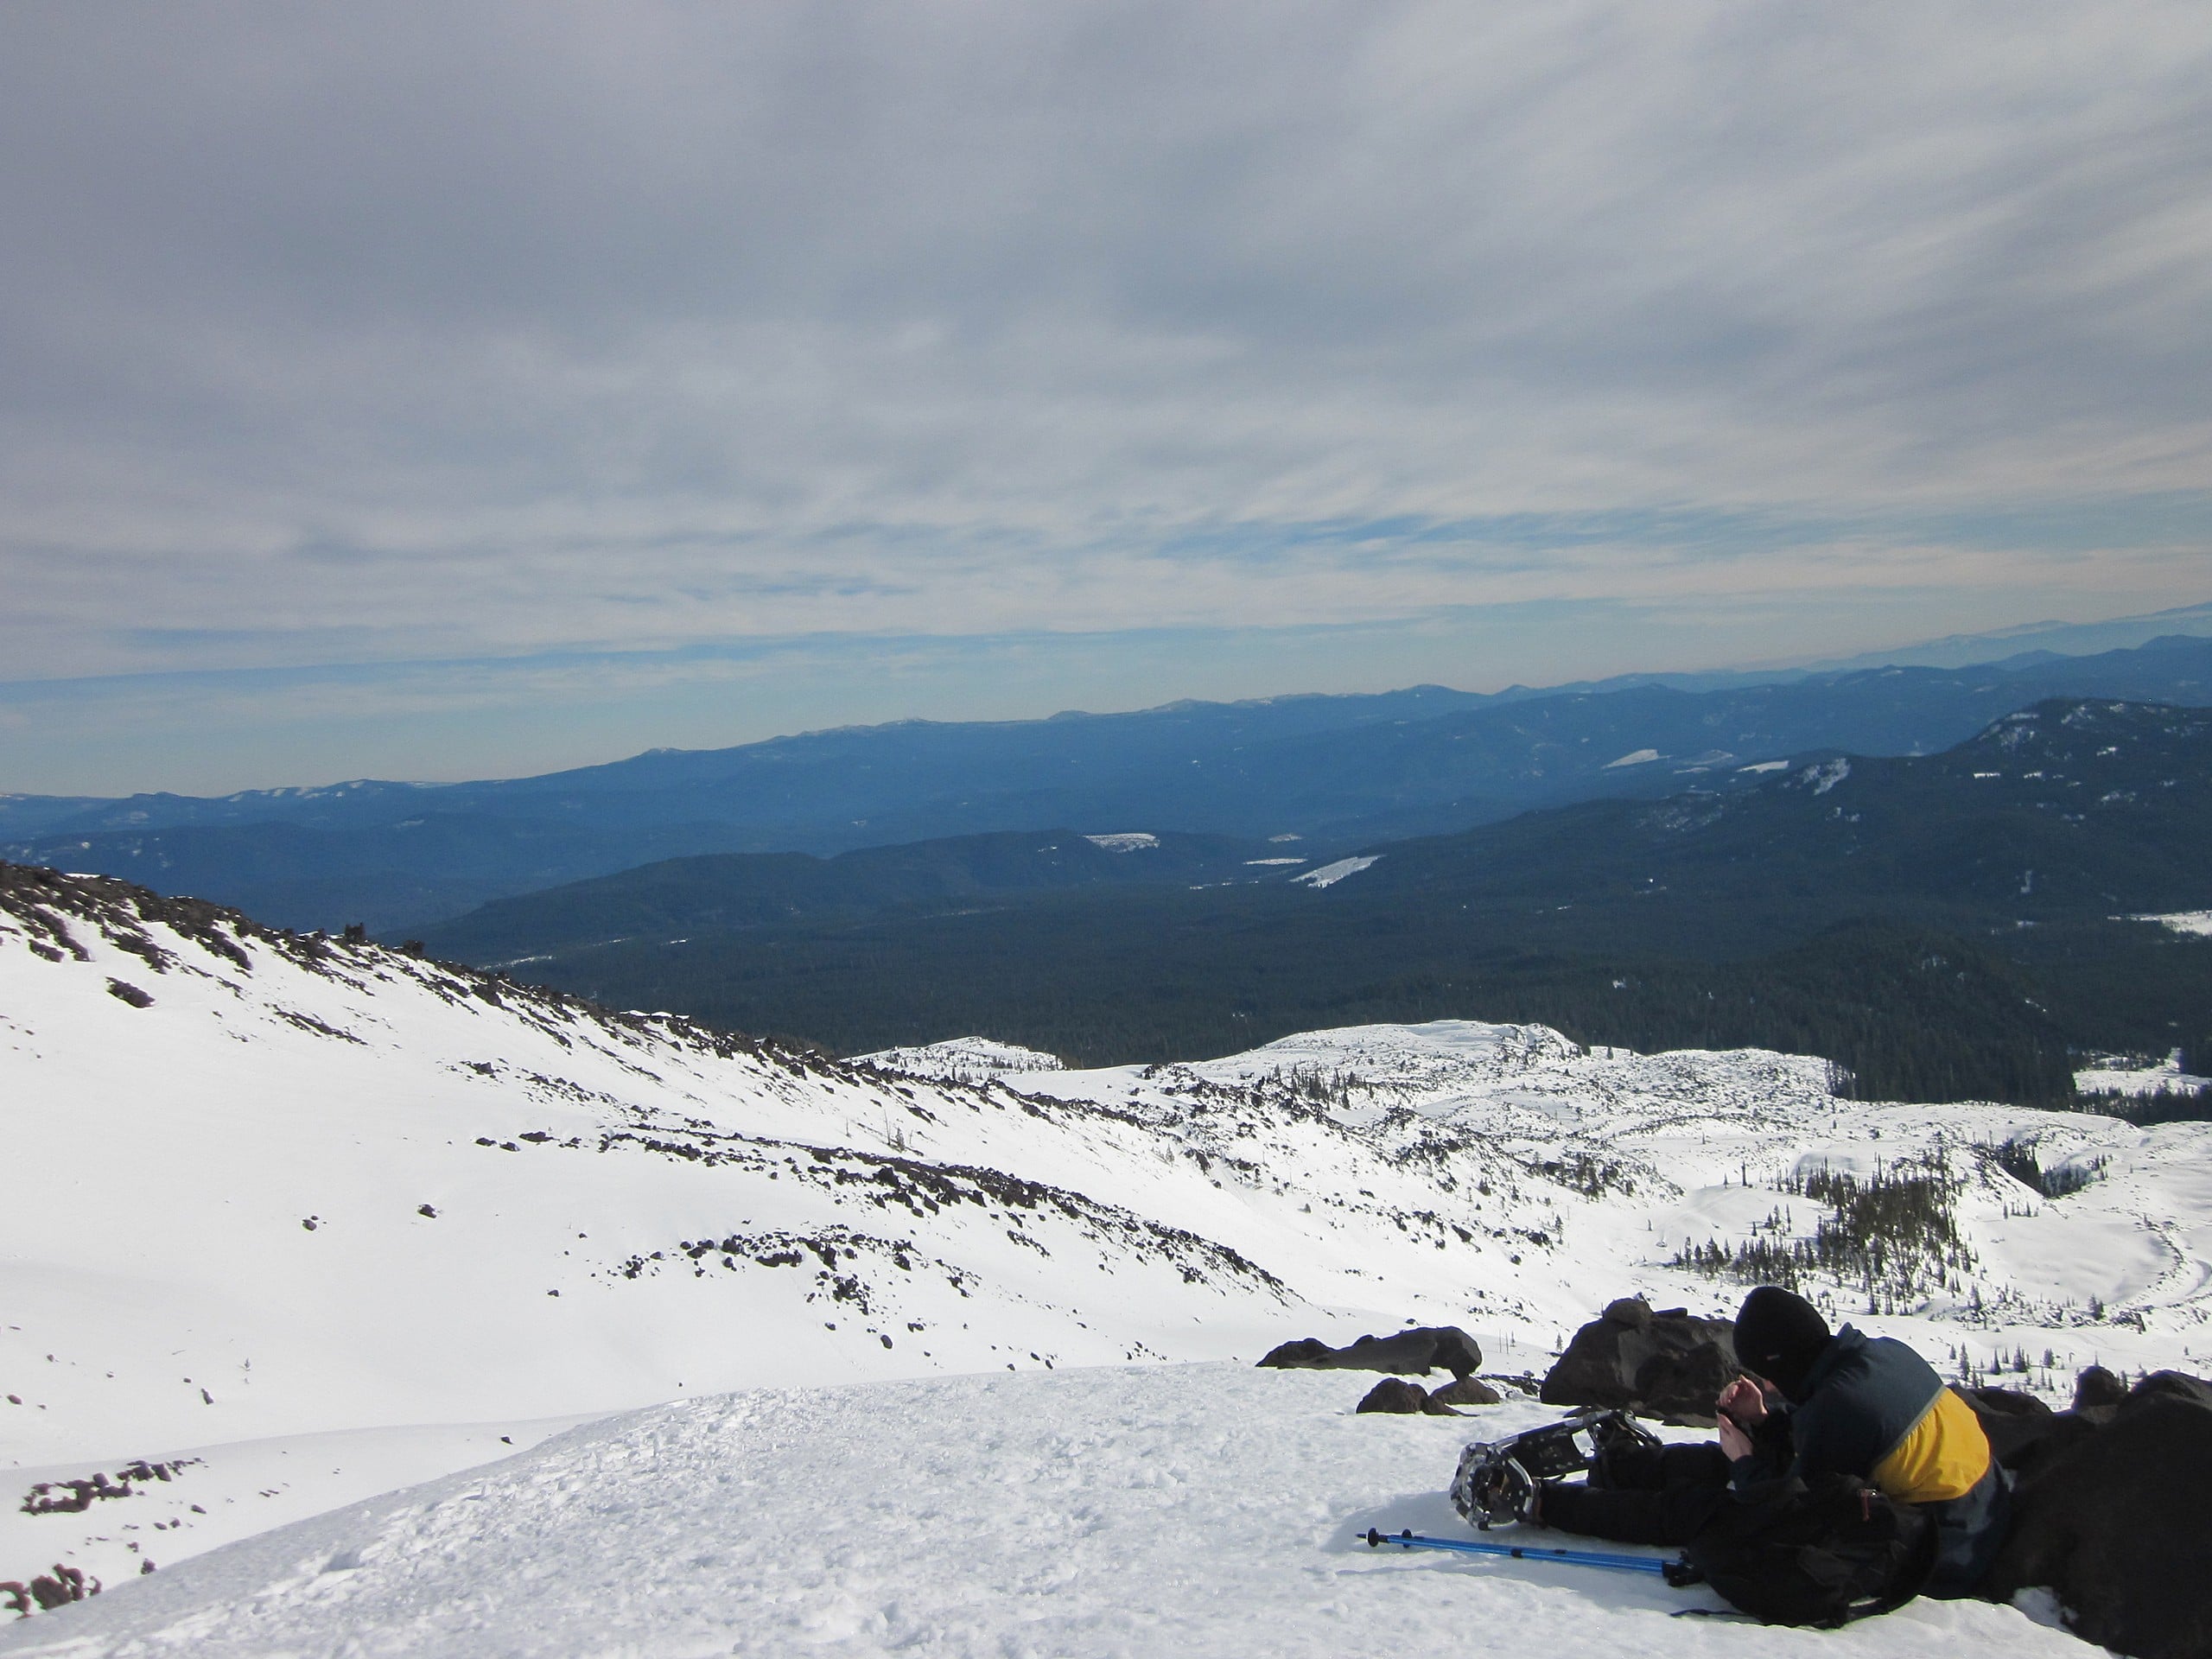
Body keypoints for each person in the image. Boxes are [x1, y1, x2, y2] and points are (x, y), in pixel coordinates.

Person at [1532, 1286, 2010, 1599]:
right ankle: (1620, 1469)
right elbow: (1832, 1438)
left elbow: (1781, 1507)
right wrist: (1762, 1421)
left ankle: (1549, 1504)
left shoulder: (1837, 1406)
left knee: (1707, 1510)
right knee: (1737, 1457)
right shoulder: (1877, 1354)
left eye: (1765, 1370)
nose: (1769, 1381)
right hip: (1980, 1509)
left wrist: (1743, 1463)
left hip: (1942, 1552)